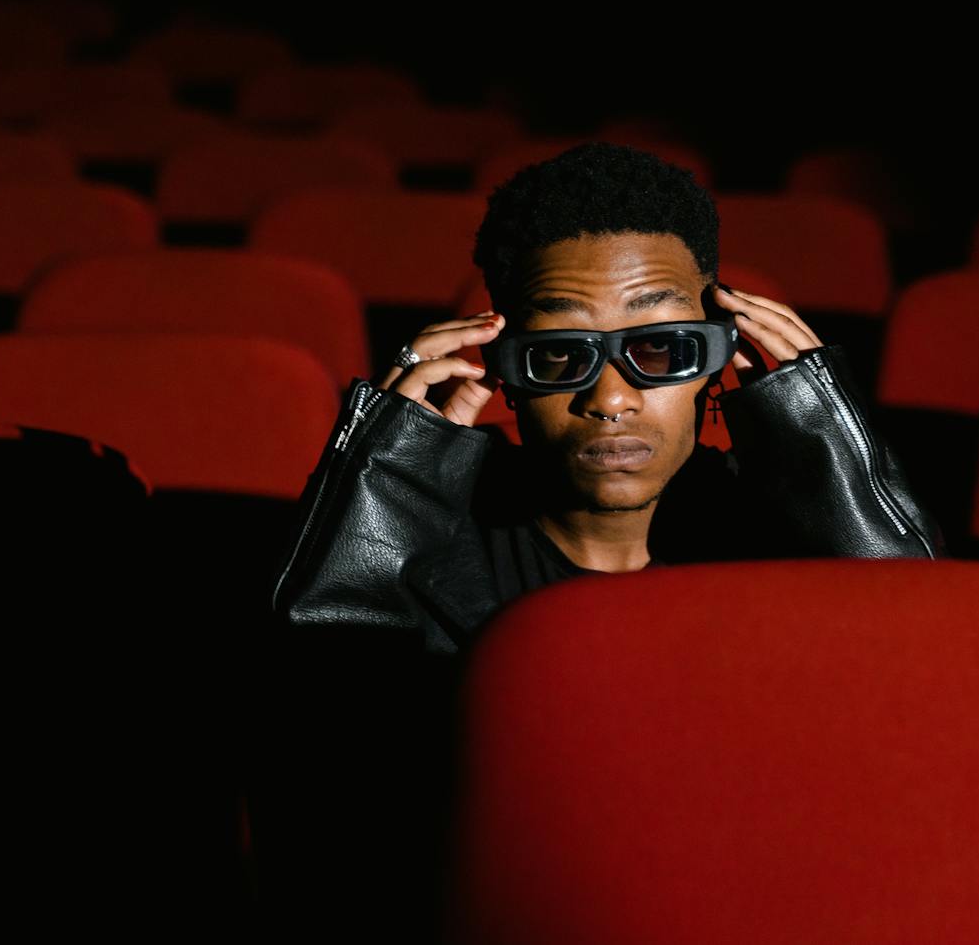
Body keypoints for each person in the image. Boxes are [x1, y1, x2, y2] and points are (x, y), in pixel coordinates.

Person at [269, 142, 944, 657]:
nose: (611, 398)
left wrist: (825, 433)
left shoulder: (786, 543)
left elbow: (920, 679)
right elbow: (324, 754)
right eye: (559, 355)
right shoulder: (422, 552)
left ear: (716, 365)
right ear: (503, 371)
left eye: (661, 349)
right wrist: (379, 482)